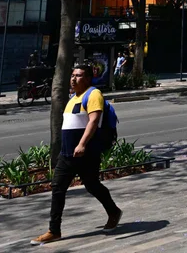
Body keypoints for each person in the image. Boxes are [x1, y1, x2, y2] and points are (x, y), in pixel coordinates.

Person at [31, 64, 122, 245]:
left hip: (86, 153)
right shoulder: (73, 98)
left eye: (78, 76)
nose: (73, 79)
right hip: (67, 155)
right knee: (58, 188)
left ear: (88, 78)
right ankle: (54, 230)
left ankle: (113, 212)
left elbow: (94, 121)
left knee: (93, 186)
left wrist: (82, 144)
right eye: (72, 75)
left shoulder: (93, 94)